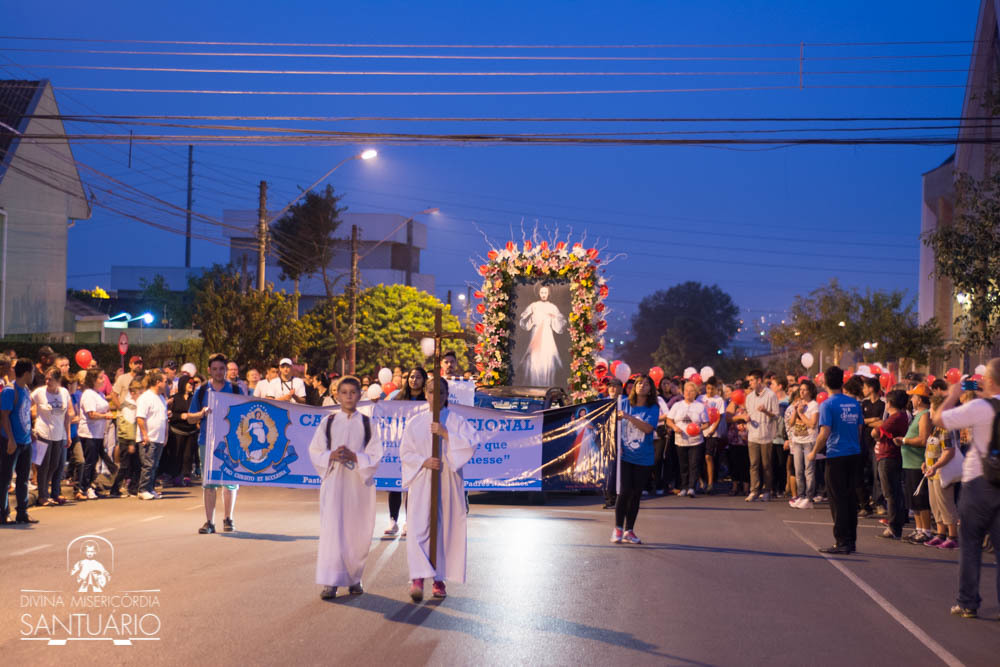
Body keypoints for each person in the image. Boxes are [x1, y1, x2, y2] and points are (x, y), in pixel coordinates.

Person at [931, 358, 1000, 618]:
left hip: (978, 482)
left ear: (989, 380)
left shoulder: (981, 407)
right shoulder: (985, 404)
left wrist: (953, 394)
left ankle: (968, 602)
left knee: (971, 544)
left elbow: (939, 419)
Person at [400, 376, 477, 602]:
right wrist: (423, 461)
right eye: (432, 391)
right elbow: (405, 452)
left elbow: (471, 443)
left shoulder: (456, 421)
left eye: (441, 392)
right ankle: (417, 578)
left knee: (443, 529)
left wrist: (445, 433)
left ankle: (438, 578)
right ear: (426, 394)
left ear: (446, 395)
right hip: (423, 480)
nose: (436, 396)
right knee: (419, 526)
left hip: (447, 480)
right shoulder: (415, 422)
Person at [309, 376, 383, 600]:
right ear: (337, 395)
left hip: (358, 486)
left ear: (360, 395)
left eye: (353, 392)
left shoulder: (367, 424)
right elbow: (315, 450)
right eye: (344, 392)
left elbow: (375, 454)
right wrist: (331, 455)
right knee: (333, 530)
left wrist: (355, 457)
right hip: (334, 483)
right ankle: (330, 581)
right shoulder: (329, 422)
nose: (349, 396)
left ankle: (354, 578)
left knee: (356, 531)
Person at [809, 366, 863, 554]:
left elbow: (824, 432)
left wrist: (813, 452)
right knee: (850, 498)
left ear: (824, 382)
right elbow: (859, 429)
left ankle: (841, 542)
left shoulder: (827, 405)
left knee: (837, 499)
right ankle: (851, 540)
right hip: (854, 454)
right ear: (842, 381)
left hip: (836, 455)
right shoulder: (854, 403)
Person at [187, 353, 244, 533]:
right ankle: (209, 522)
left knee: (230, 481)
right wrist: (201, 413)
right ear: (209, 370)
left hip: (231, 442)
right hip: (207, 441)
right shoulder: (202, 391)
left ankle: (228, 519)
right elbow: (190, 417)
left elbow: (245, 415)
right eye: (215, 369)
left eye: (221, 369)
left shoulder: (235, 390)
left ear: (226, 370)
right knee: (209, 482)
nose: (218, 372)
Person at [611, 374, 659, 544]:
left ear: (650, 389)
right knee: (624, 491)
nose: (642, 386)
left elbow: (648, 429)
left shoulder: (653, 408)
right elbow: (612, 425)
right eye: (639, 383)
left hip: (644, 458)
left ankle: (629, 530)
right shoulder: (623, 403)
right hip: (625, 456)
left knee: (635, 494)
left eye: (646, 384)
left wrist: (628, 417)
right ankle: (618, 528)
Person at [386, 366, 428, 536]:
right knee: (394, 484)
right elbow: (384, 414)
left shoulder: (427, 400)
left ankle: (409, 522)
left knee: (413, 486)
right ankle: (392, 521)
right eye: (411, 377)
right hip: (397, 446)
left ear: (424, 380)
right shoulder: (397, 398)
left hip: (417, 448)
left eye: (418, 377)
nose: (414, 380)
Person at [0, 359, 38, 524]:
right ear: (27, 373)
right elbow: (4, 416)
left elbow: (24, 413)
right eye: (33, 372)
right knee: (6, 478)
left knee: (23, 478)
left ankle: (22, 512)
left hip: (26, 441)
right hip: (12, 441)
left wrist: (30, 431)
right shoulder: (10, 391)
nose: (34, 375)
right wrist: (10, 439)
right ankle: (3, 513)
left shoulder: (26, 389)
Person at [31, 367, 73, 506]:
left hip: (59, 434)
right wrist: (30, 427)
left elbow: (67, 415)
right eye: (46, 379)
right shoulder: (39, 392)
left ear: (58, 380)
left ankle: (47, 491)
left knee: (55, 464)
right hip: (43, 432)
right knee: (43, 465)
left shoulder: (64, 392)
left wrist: (68, 435)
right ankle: (42, 495)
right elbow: (26, 406)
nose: (47, 382)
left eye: (51, 379)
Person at [923, 394, 959, 549]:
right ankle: (940, 534)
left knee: (945, 504)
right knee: (935, 504)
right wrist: (926, 463)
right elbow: (933, 448)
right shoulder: (936, 428)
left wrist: (935, 466)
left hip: (941, 472)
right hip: (932, 472)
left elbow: (948, 451)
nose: (929, 411)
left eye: (931, 408)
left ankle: (953, 536)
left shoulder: (945, 428)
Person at [899, 384, 933, 544]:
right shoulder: (919, 415)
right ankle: (919, 529)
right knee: (913, 500)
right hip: (910, 463)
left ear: (919, 399)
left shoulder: (925, 415)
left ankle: (926, 531)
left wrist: (904, 440)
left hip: (917, 463)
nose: (911, 399)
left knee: (921, 500)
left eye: (913, 396)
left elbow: (923, 439)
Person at [875, 389, 910, 540]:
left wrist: (876, 429)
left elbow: (876, 432)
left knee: (890, 493)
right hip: (889, 456)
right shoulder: (900, 416)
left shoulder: (896, 417)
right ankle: (895, 524)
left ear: (889, 403)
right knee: (893, 492)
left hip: (889, 457)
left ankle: (894, 526)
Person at [517, 285, 566, 387]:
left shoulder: (552, 307)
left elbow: (561, 321)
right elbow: (523, 319)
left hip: (547, 335)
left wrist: (554, 318)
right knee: (534, 358)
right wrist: (532, 318)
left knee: (548, 358)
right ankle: (534, 384)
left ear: (549, 294)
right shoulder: (534, 306)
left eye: (545, 293)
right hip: (536, 334)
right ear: (539, 293)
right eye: (542, 292)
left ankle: (547, 385)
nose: (543, 295)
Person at [77, 369, 114, 501]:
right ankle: (84, 487)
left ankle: (90, 485)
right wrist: (105, 416)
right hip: (88, 433)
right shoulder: (88, 394)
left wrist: (107, 413)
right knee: (89, 462)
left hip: (98, 433)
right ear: (93, 380)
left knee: (94, 462)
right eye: (100, 378)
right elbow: (91, 414)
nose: (103, 380)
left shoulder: (100, 394)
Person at [666, 380, 708, 497]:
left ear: (696, 393)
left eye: (691, 391)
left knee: (694, 464)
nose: (688, 393)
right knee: (683, 465)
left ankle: (692, 487)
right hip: (680, 440)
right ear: (683, 392)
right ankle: (683, 487)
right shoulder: (677, 405)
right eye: (686, 391)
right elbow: (669, 420)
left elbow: (706, 423)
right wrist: (674, 427)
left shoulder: (700, 406)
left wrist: (699, 428)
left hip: (696, 441)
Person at [745, 370, 780, 502]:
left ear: (759, 380)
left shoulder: (771, 395)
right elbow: (748, 413)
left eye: (751, 380)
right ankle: (754, 490)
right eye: (749, 381)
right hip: (752, 435)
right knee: (753, 464)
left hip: (766, 435)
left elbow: (776, 415)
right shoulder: (749, 397)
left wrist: (765, 411)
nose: (750, 383)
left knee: (766, 465)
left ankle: (767, 490)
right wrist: (746, 419)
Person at [786, 380, 820, 509]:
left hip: (809, 441)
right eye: (800, 389)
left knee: (809, 471)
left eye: (804, 389)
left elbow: (812, 424)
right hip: (797, 441)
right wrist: (796, 410)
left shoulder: (814, 405)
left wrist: (801, 413)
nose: (802, 392)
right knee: (798, 470)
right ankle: (800, 496)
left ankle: (809, 498)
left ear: (810, 391)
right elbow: (791, 423)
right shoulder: (798, 403)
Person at [135, 371, 168, 501]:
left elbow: (165, 419)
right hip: (149, 437)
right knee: (148, 464)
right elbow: (140, 418)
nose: (167, 384)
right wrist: (144, 435)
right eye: (165, 381)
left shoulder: (161, 398)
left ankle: (150, 488)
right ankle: (143, 489)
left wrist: (165, 436)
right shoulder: (145, 397)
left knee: (155, 465)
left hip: (159, 437)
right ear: (157, 382)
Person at [110, 380, 142, 497]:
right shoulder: (129, 407)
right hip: (127, 440)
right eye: (139, 393)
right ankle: (115, 489)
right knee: (125, 466)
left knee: (135, 465)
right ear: (132, 393)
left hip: (128, 439)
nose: (141, 395)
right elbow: (129, 426)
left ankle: (132, 488)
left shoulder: (130, 405)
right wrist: (132, 443)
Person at [169, 375, 199, 485]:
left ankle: (187, 476)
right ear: (182, 384)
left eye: (193, 383)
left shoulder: (195, 398)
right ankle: (175, 476)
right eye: (189, 383)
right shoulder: (174, 398)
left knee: (188, 455)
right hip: (177, 431)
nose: (191, 385)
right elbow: (169, 415)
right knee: (177, 454)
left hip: (191, 431)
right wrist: (180, 416)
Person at [700, 377, 727, 494]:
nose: (710, 391)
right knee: (700, 457)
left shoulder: (719, 400)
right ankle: (702, 481)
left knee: (708, 456)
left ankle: (711, 483)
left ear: (716, 389)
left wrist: (713, 430)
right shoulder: (701, 398)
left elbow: (719, 417)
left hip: (712, 433)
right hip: (701, 431)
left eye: (712, 389)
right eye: (708, 388)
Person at [603, 377, 624, 509]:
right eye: (610, 386)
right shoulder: (603, 402)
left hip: (620, 438)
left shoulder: (624, 402)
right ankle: (609, 499)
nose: (612, 388)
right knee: (607, 470)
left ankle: (618, 499)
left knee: (619, 471)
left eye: (615, 386)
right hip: (605, 439)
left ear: (620, 388)